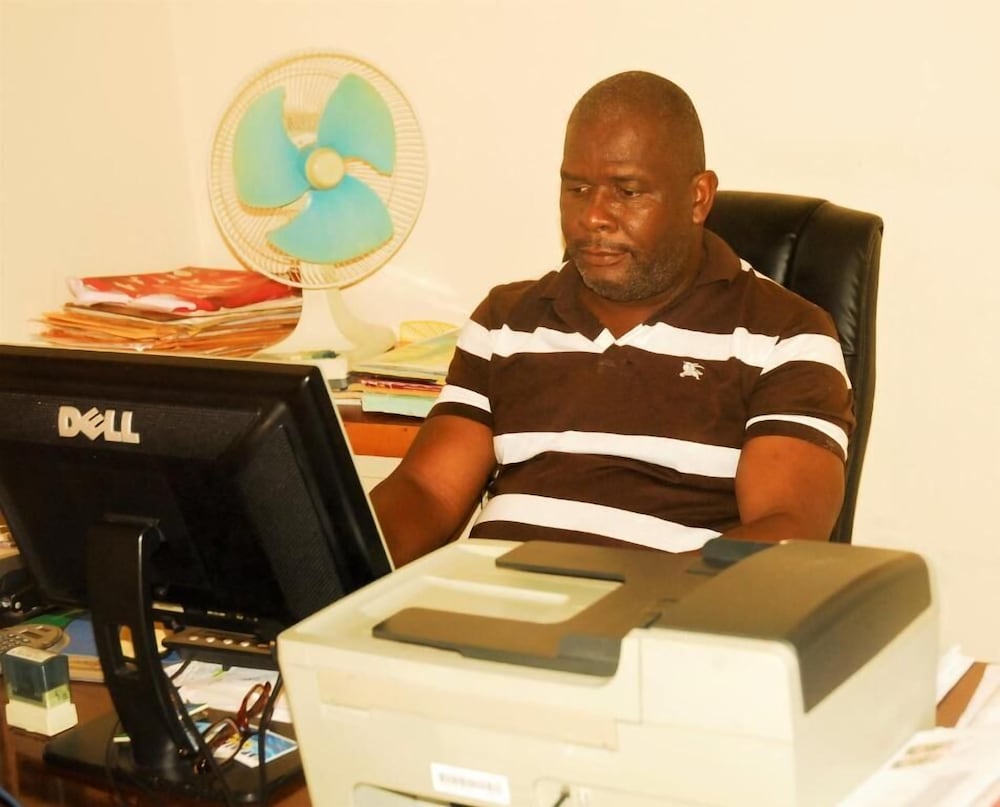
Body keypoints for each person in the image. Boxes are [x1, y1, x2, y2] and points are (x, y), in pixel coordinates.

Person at [371, 71, 853, 567]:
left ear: (698, 198)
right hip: (483, 599)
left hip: (658, 606)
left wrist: (632, 601)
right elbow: (427, 491)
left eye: (627, 192)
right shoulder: (506, 321)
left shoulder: (785, 336)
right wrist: (336, 568)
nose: (593, 217)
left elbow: (787, 532)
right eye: (577, 188)